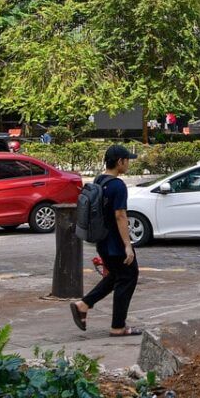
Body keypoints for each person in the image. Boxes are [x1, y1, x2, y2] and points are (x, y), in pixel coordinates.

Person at [70, 144, 142, 337]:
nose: (128, 164)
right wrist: (128, 245)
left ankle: (83, 305)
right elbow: (120, 216)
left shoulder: (99, 180)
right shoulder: (118, 186)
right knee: (128, 277)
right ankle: (118, 326)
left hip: (102, 241)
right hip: (116, 244)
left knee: (115, 277)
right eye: (127, 161)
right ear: (120, 162)